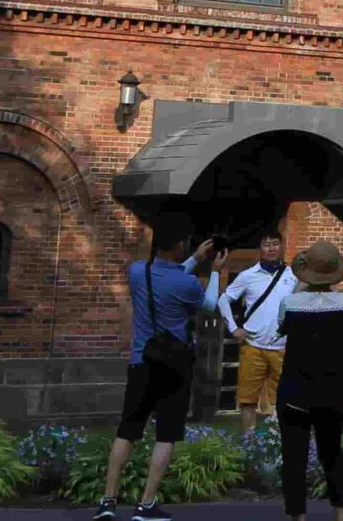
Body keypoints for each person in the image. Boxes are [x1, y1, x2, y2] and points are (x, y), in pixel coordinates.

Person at [97, 220, 223, 521]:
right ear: (179, 245)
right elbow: (208, 305)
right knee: (166, 435)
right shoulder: (187, 284)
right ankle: (146, 505)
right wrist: (215, 270)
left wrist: (195, 258)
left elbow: (167, 276)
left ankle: (107, 502)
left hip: (141, 361)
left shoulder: (137, 272)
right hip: (175, 365)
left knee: (127, 431)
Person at [272, 241, 343, 521]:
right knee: (332, 453)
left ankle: (298, 516)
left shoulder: (290, 303)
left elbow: (281, 327)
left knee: (293, 457)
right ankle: (341, 513)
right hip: (331, 388)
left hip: (294, 387)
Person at [223, 226, 297, 438]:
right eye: (266, 244)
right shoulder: (248, 275)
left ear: (282, 246)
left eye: (275, 244)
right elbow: (224, 300)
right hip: (253, 345)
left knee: (283, 396)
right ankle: (250, 438)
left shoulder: (293, 276)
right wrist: (233, 328)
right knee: (248, 397)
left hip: (282, 346)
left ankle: (278, 437)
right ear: (260, 248)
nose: (271, 248)